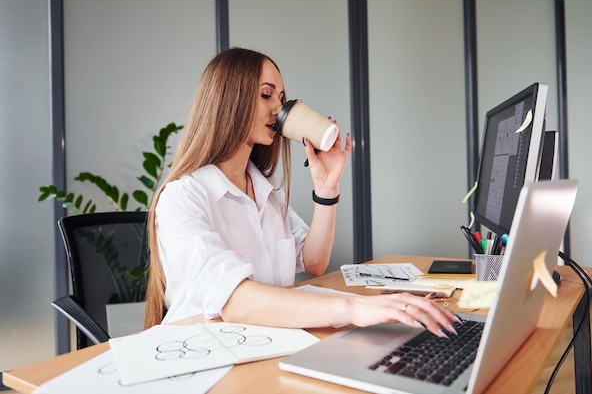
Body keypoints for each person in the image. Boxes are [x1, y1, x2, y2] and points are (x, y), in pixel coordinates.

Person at [144, 47, 459, 337]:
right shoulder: (182, 198)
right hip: (207, 350)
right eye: (267, 95)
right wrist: (355, 308)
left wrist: (327, 188)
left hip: (266, 338)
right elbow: (235, 300)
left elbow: (314, 262)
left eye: (281, 98)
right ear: (230, 101)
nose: (279, 109)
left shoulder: (265, 191)